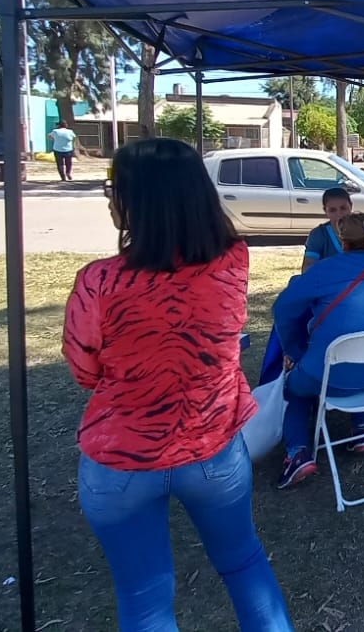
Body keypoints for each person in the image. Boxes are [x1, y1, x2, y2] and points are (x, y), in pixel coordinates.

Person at [63, 137, 293, 631]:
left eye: (113, 187)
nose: (108, 198)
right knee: (244, 563)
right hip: (212, 447)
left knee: (144, 599)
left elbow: (84, 372)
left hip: (121, 459)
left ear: (136, 199)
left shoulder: (99, 282)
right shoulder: (233, 260)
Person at [272, 212, 364, 488]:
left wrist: (295, 350)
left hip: (331, 375)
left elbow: (282, 308)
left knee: (294, 389)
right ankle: (361, 430)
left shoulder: (324, 270)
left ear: (343, 241)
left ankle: (298, 453)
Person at [301, 187, 354, 271]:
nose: (339, 214)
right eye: (332, 210)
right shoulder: (319, 235)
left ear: (351, 206)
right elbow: (308, 268)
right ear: (325, 211)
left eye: (343, 208)